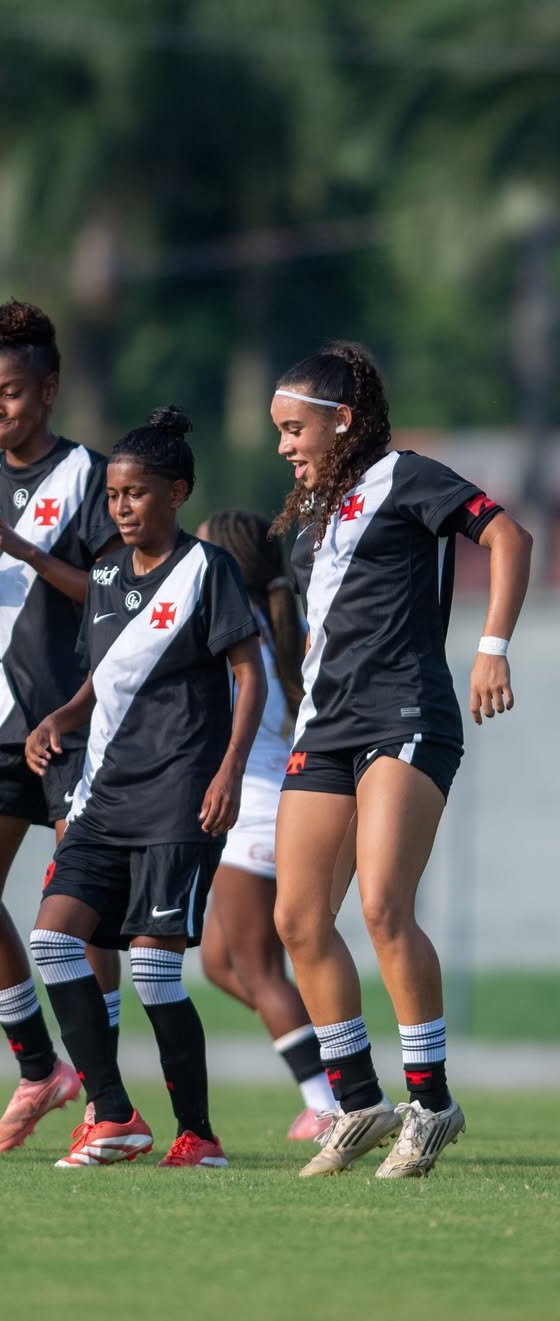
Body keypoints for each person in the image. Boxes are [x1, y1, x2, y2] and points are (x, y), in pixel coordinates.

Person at [269, 341, 532, 1178]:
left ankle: (432, 1103)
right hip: (325, 728)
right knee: (297, 920)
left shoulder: (407, 477)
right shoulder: (314, 518)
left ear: (342, 421)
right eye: (278, 432)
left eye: (294, 429)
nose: (284, 446)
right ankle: (357, 1102)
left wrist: (492, 648)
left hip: (405, 714)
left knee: (383, 904)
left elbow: (510, 536)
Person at [25, 407, 266, 1168]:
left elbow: (250, 674)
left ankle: (198, 1135)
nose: (121, 507)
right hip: (104, 798)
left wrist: (230, 769)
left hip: (180, 798)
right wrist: (60, 716)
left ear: (176, 493)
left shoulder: (207, 571)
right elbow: (103, 675)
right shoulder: (102, 576)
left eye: (135, 493)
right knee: (53, 941)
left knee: (155, 971)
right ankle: (114, 1115)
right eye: (113, 495)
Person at [0, 300, 123, 1154]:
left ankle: (106, 1099)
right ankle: (41, 1070)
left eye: (8, 393)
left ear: (48, 389)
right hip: (7, 718)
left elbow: (120, 596)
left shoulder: (93, 476)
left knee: (85, 919)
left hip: (82, 720)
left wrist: (30, 551)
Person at [196, 510, 338, 1140]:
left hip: (251, 810)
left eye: (203, 550)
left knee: (260, 969)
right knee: (219, 962)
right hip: (283, 805)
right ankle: (338, 1068)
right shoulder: (289, 623)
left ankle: (330, 1100)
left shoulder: (232, 626)